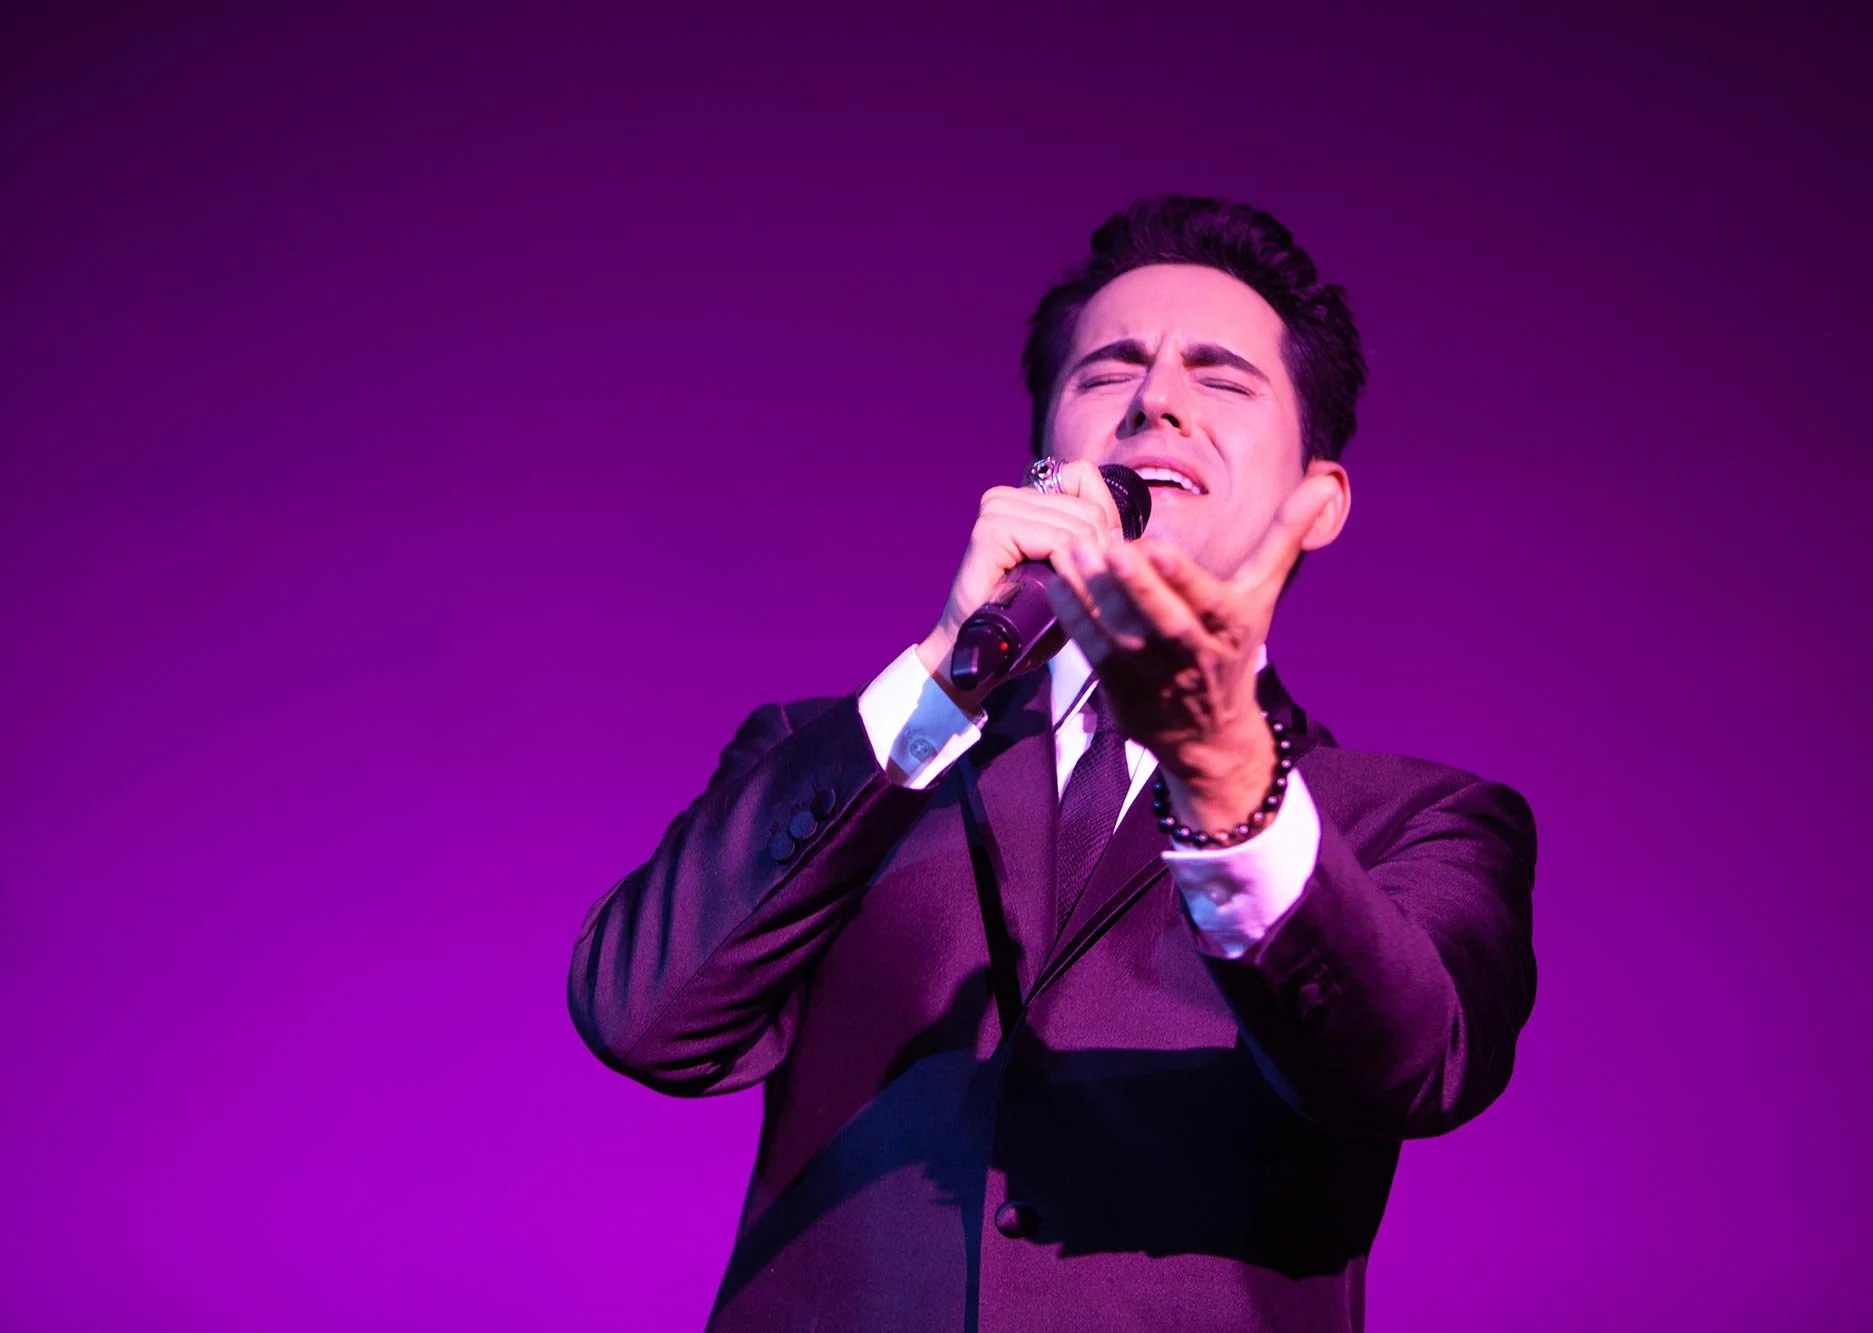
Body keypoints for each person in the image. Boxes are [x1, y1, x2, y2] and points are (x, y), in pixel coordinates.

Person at [566, 194, 1538, 1333]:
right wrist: (946, 672)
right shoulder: (837, 752)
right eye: (1109, 370)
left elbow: (1402, 1067)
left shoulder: (1420, 820)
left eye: (1220, 378)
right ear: (1043, 464)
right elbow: (645, 1018)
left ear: (1316, 501)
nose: (1156, 399)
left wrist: (1228, 779)